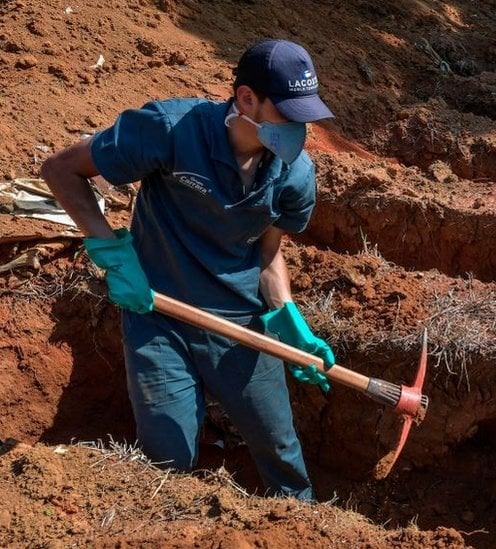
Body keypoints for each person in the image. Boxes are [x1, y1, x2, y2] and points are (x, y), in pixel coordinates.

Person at [41, 39, 338, 500]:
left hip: (240, 324)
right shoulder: (172, 129)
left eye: (306, 115)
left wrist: (285, 315)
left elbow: (267, 251)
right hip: (158, 316)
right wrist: (112, 251)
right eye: (288, 113)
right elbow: (61, 169)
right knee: (167, 462)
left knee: (281, 452)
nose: (300, 129)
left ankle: (309, 527)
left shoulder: (294, 175)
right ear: (245, 99)